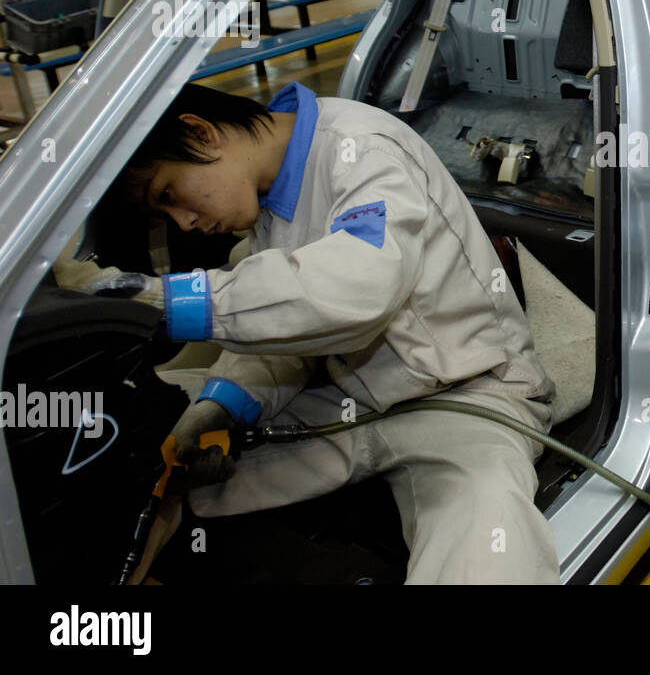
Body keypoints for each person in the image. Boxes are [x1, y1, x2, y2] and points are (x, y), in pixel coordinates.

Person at [58, 81, 559, 583]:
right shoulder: (268, 195)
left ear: (201, 132)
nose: (183, 222)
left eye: (169, 194)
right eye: (164, 214)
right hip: (348, 397)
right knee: (158, 455)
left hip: (469, 399)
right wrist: (225, 403)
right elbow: (292, 326)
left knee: (489, 556)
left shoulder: (360, 147)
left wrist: (169, 302)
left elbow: (358, 290)